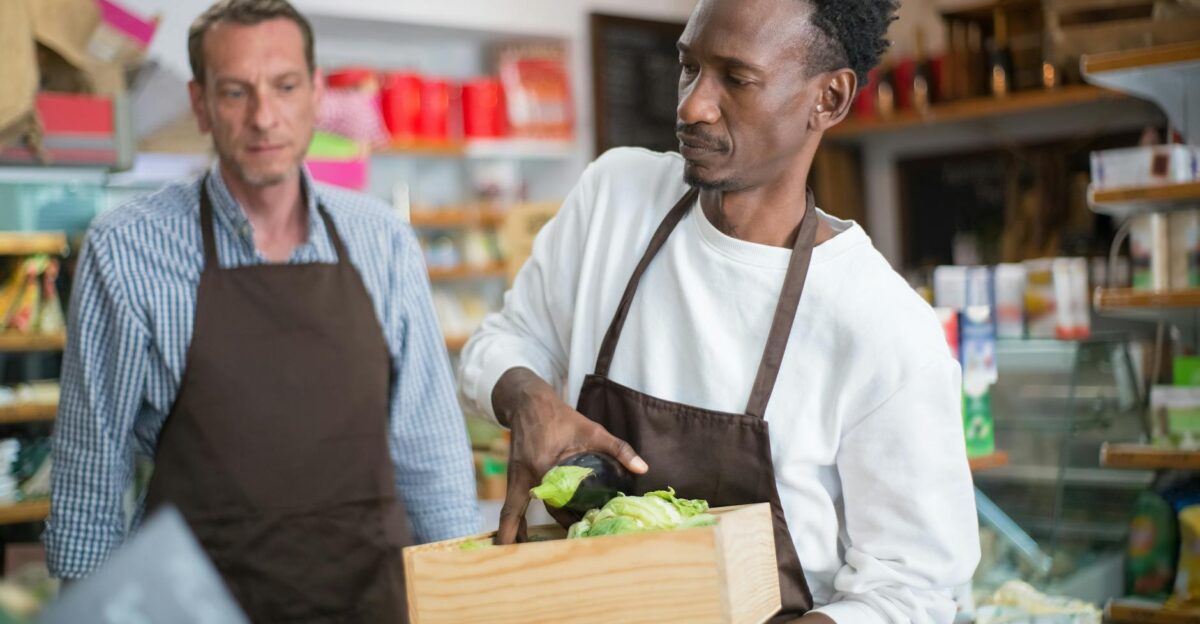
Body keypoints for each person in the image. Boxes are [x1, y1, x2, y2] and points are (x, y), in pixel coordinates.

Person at [459, 0, 979, 621]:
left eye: (736, 79)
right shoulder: (615, 197)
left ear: (830, 99)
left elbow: (913, 590)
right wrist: (530, 400)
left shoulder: (883, 329)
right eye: (688, 67)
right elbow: (501, 343)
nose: (691, 106)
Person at [46, 0, 478, 620]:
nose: (264, 117)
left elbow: (429, 450)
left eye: (284, 86)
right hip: (194, 604)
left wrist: (457, 593)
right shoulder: (127, 249)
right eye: (234, 92)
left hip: (366, 600)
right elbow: (93, 459)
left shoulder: (383, 242)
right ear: (200, 104)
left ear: (315, 93)